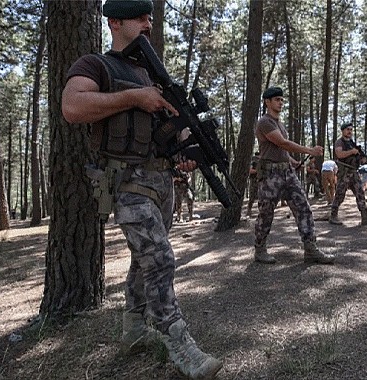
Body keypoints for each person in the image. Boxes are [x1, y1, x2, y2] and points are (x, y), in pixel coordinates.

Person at [60, 1, 222, 379]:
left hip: (161, 181)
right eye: (140, 17)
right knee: (161, 257)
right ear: (115, 21)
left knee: (143, 260)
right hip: (125, 181)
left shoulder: (153, 74)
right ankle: (180, 344)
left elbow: (171, 126)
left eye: (150, 17)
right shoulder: (96, 65)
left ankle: (133, 330)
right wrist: (134, 97)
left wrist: (188, 149)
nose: (149, 23)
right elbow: (72, 106)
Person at [253, 86, 334, 265]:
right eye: (277, 100)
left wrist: (292, 161)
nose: (280, 103)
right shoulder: (265, 122)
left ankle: (310, 249)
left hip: (287, 172)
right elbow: (282, 143)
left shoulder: (279, 124)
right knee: (266, 213)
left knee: (303, 207)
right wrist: (309, 150)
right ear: (267, 102)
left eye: (282, 100)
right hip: (270, 174)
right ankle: (260, 249)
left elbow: (280, 149)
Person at [328, 122, 367, 226]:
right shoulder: (339, 142)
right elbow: (339, 154)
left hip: (354, 173)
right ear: (343, 131)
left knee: (360, 193)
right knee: (339, 195)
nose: (350, 131)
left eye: (351, 129)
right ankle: (333, 216)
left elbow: (360, 158)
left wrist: (362, 158)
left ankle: (365, 217)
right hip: (344, 174)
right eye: (347, 129)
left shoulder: (352, 143)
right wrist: (352, 152)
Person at [246, 151, 260, 217]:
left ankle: (261, 211)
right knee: (252, 196)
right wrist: (257, 171)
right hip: (254, 180)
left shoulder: (261, 161)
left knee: (262, 197)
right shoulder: (253, 161)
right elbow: (250, 170)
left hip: (260, 180)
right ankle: (249, 211)